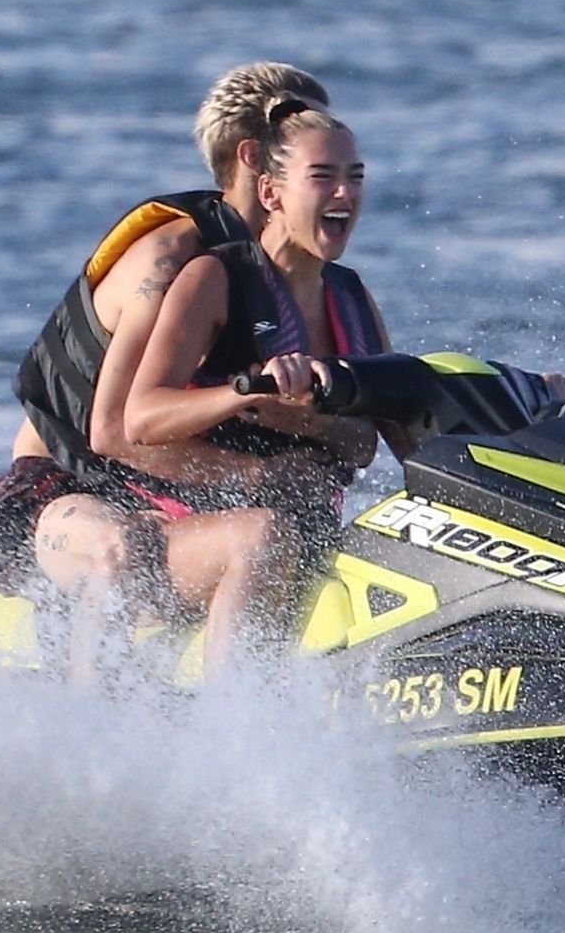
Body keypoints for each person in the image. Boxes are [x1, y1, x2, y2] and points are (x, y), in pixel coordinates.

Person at [0, 62, 338, 680]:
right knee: (121, 549)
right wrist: (258, 475)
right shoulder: (169, 259)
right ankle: (92, 723)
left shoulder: (285, 276)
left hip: (165, 488)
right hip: (65, 486)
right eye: (304, 142)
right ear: (255, 158)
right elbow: (111, 432)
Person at [122, 98, 392, 655]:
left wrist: (536, 406)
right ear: (271, 193)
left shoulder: (353, 297)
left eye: (356, 178)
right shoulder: (213, 279)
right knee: (265, 536)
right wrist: (243, 397)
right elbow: (141, 418)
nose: (345, 193)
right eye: (323, 177)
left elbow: (370, 441)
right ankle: (231, 710)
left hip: (308, 529)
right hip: (181, 539)